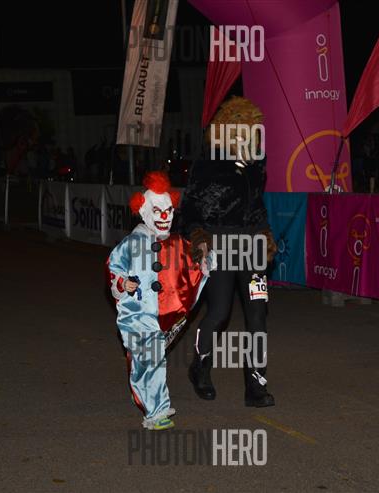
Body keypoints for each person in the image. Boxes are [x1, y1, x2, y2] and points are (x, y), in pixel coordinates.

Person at [178, 96, 277, 408]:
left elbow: (257, 205)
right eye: (245, 128)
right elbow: (190, 207)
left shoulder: (256, 163)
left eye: (254, 128)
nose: (251, 134)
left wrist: (265, 233)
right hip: (220, 244)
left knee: (258, 313)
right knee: (219, 312)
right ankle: (200, 366)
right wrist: (198, 235)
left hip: (252, 246)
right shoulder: (208, 163)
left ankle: (256, 385)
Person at [107, 171, 210, 430]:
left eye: (168, 211)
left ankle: (153, 405)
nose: (164, 216)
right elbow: (113, 266)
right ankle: (155, 411)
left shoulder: (176, 243)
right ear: (144, 211)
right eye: (157, 211)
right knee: (149, 362)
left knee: (151, 361)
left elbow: (190, 269)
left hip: (162, 315)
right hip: (137, 313)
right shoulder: (132, 243)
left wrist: (204, 262)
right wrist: (121, 283)